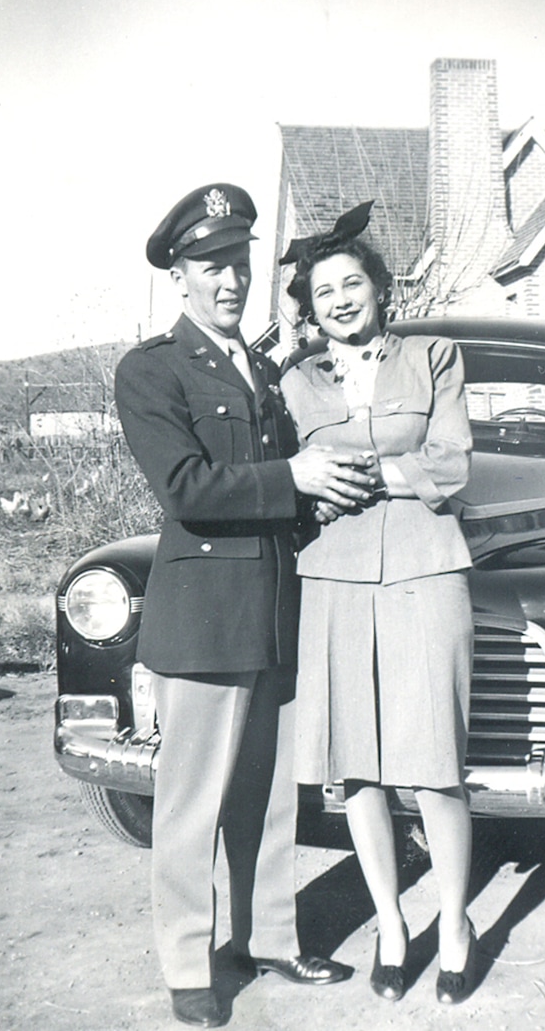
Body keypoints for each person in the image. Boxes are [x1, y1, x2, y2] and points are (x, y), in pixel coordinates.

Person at [115, 184, 375, 1028]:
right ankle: (190, 962)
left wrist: (320, 495)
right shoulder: (152, 368)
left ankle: (265, 936)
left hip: (272, 612)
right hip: (204, 624)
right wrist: (292, 479)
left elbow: (277, 492)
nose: (229, 280)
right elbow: (186, 486)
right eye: (210, 265)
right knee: (191, 804)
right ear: (179, 276)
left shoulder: (262, 369)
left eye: (238, 263)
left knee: (266, 797)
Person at [278, 202, 477, 1006]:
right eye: (323, 290)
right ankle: (393, 929)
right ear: (310, 307)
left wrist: (355, 473)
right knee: (355, 767)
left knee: (435, 766)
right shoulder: (292, 380)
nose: (339, 299)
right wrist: (388, 466)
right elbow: (287, 477)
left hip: (428, 574)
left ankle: (457, 925)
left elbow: (454, 466)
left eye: (351, 282)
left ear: (380, 288)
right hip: (333, 581)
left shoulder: (434, 356)